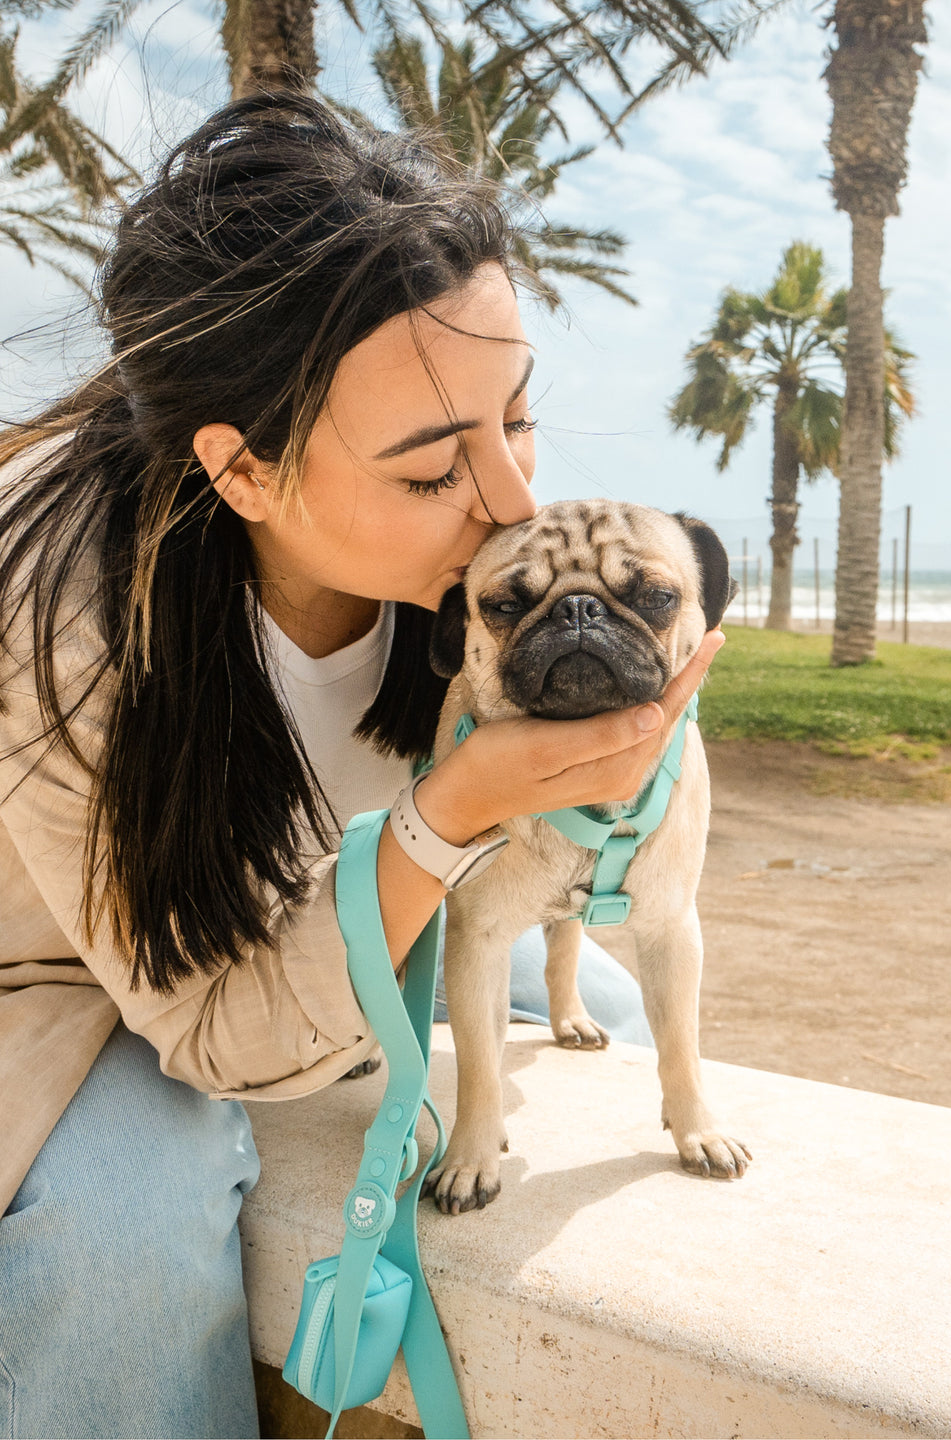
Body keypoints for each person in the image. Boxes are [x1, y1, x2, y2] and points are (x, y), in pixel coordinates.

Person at [0, 92, 724, 1439]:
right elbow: (219, 1028)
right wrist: (458, 812)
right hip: (81, 972)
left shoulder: (465, 570)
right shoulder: (66, 633)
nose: (512, 498)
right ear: (245, 470)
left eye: (518, 416)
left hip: (334, 887)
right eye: (432, 468)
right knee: (121, 1227)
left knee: (609, 1028)